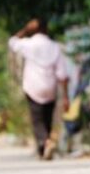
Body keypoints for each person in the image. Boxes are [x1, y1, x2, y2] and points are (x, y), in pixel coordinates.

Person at [9, 18, 69, 160]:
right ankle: (44, 147)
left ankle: (45, 142)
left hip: (33, 85)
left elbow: (12, 42)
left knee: (37, 119)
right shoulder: (54, 47)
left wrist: (25, 30)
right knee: (47, 117)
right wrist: (66, 96)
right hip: (50, 86)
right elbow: (62, 75)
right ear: (46, 29)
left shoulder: (28, 44)